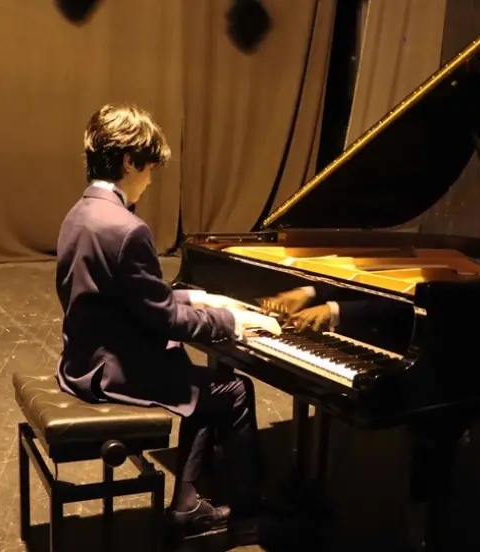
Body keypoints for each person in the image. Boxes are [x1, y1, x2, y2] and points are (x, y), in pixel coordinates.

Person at [54, 104, 280, 540]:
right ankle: (248, 515)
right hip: (115, 372)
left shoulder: (79, 214)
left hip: (82, 361)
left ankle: (187, 505)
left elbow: (130, 298)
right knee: (233, 391)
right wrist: (232, 322)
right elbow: (167, 320)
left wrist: (202, 297)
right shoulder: (127, 229)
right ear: (129, 161)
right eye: (150, 168)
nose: (152, 179)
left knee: (200, 384)